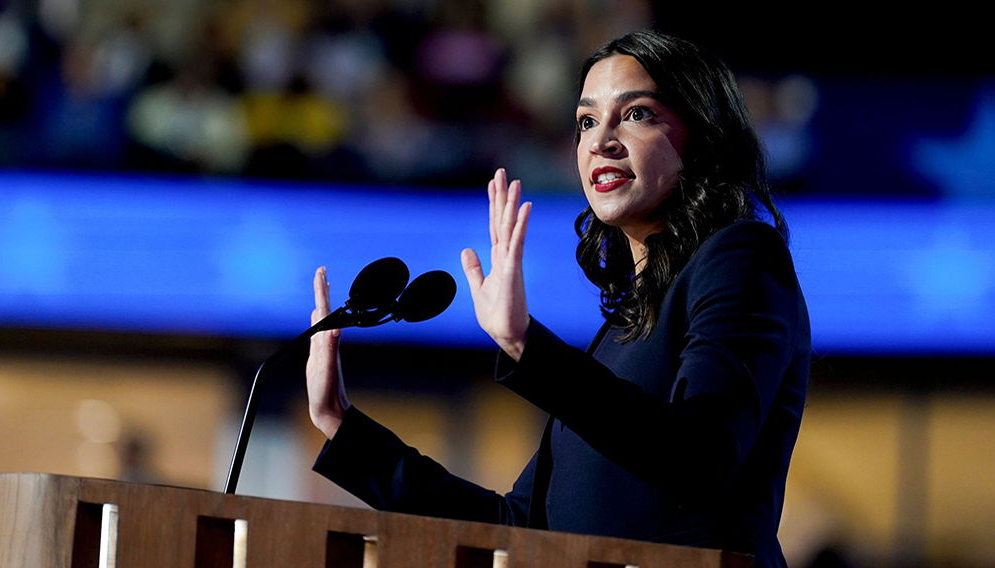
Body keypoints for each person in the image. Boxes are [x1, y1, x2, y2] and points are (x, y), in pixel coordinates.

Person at [306, 30, 809, 568]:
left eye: (636, 114)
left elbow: (700, 456)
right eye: (586, 121)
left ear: (703, 133)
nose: (600, 141)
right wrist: (341, 425)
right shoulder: (620, 331)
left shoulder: (742, 255)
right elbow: (516, 527)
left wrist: (526, 344)